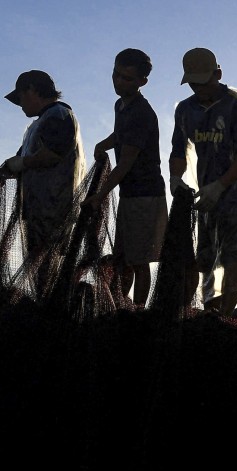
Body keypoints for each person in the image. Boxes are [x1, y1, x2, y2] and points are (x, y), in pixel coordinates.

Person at [169, 47, 237, 314]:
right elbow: (178, 149)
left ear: (217, 74)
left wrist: (221, 186)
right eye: (193, 84)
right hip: (205, 196)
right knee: (203, 258)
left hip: (236, 194)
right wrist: (175, 178)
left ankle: (227, 316)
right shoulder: (185, 110)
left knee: (232, 258)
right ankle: (206, 309)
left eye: (204, 83)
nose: (199, 89)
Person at [84, 49, 167, 307]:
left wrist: (100, 195)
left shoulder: (142, 113)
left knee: (139, 260)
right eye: (116, 75)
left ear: (142, 81)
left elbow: (125, 164)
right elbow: (120, 134)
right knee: (123, 258)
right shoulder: (121, 105)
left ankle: (139, 311)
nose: (119, 82)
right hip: (129, 194)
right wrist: (104, 143)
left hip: (146, 194)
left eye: (127, 79)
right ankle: (121, 303)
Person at [0, 70, 85, 278]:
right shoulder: (35, 127)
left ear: (31, 90)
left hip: (54, 210)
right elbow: (19, 162)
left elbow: (53, 153)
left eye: (20, 98)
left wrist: (21, 163)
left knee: (48, 267)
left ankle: (52, 309)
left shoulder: (59, 115)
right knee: (38, 269)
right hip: (36, 210)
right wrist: (7, 169)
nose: (20, 105)